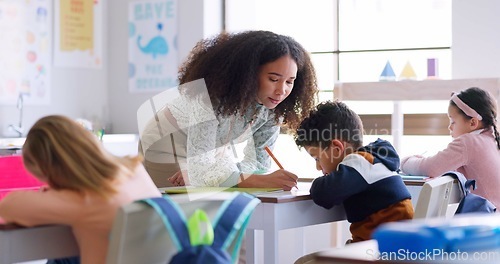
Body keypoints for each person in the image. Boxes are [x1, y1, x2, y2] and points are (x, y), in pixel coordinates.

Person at [140, 30, 318, 190]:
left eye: (289, 81)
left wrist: (215, 172)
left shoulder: (273, 109)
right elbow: (204, 171)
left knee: (218, 194)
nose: (281, 91)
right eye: (273, 79)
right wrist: (205, 173)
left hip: (208, 152)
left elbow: (258, 164)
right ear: (249, 73)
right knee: (188, 214)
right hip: (166, 144)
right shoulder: (211, 97)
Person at [0, 115, 162, 264]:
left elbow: (8, 206)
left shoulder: (82, 199)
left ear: (50, 170)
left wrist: (52, 194)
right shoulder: (135, 169)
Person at [294, 101, 414, 243]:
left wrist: (316, 184)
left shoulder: (359, 163)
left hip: (380, 251)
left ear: (337, 148)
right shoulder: (375, 159)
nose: (318, 167)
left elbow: (324, 194)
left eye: (317, 158)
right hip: (392, 246)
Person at [401, 87, 500, 208]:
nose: (450, 127)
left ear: (473, 123)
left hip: (486, 222)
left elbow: (431, 167)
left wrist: (405, 161)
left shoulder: (469, 142)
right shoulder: (491, 140)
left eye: (453, 121)